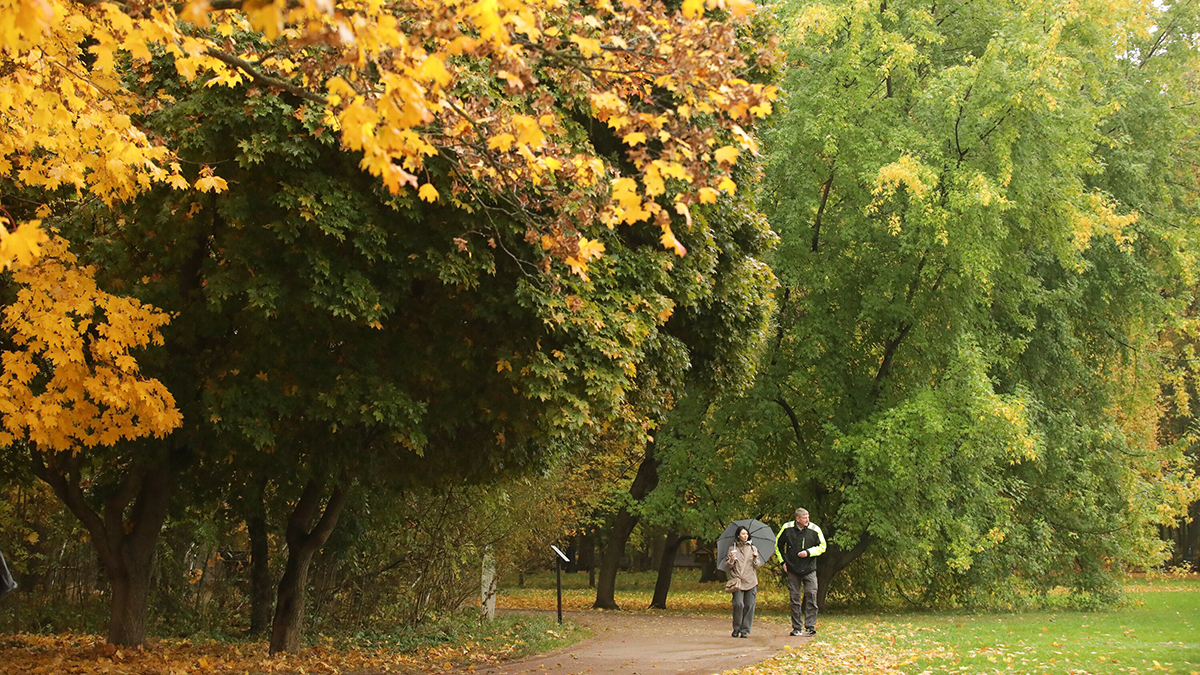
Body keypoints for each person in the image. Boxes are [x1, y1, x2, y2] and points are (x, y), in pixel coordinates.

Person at [775, 507, 825, 636]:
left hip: (809, 568)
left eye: (808, 516)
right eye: (804, 517)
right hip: (792, 568)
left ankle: (810, 626)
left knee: (811, 594)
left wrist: (808, 552)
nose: (807, 519)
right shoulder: (787, 528)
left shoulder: (815, 529)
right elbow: (778, 545)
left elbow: (822, 546)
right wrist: (783, 562)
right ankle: (797, 627)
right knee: (794, 598)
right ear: (797, 519)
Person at [724, 525, 764, 638]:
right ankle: (736, 628)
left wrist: (755, 558)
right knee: (738, 604)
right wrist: (731, 560)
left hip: (750, 580)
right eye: (743, 534)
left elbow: (757, 566)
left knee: (750, 605)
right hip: (737, 580)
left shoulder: (753, 548)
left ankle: (745, 630)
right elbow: (727, 565)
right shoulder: (732, 549)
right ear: (738, 535)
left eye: (746, 534)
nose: (745, 536)